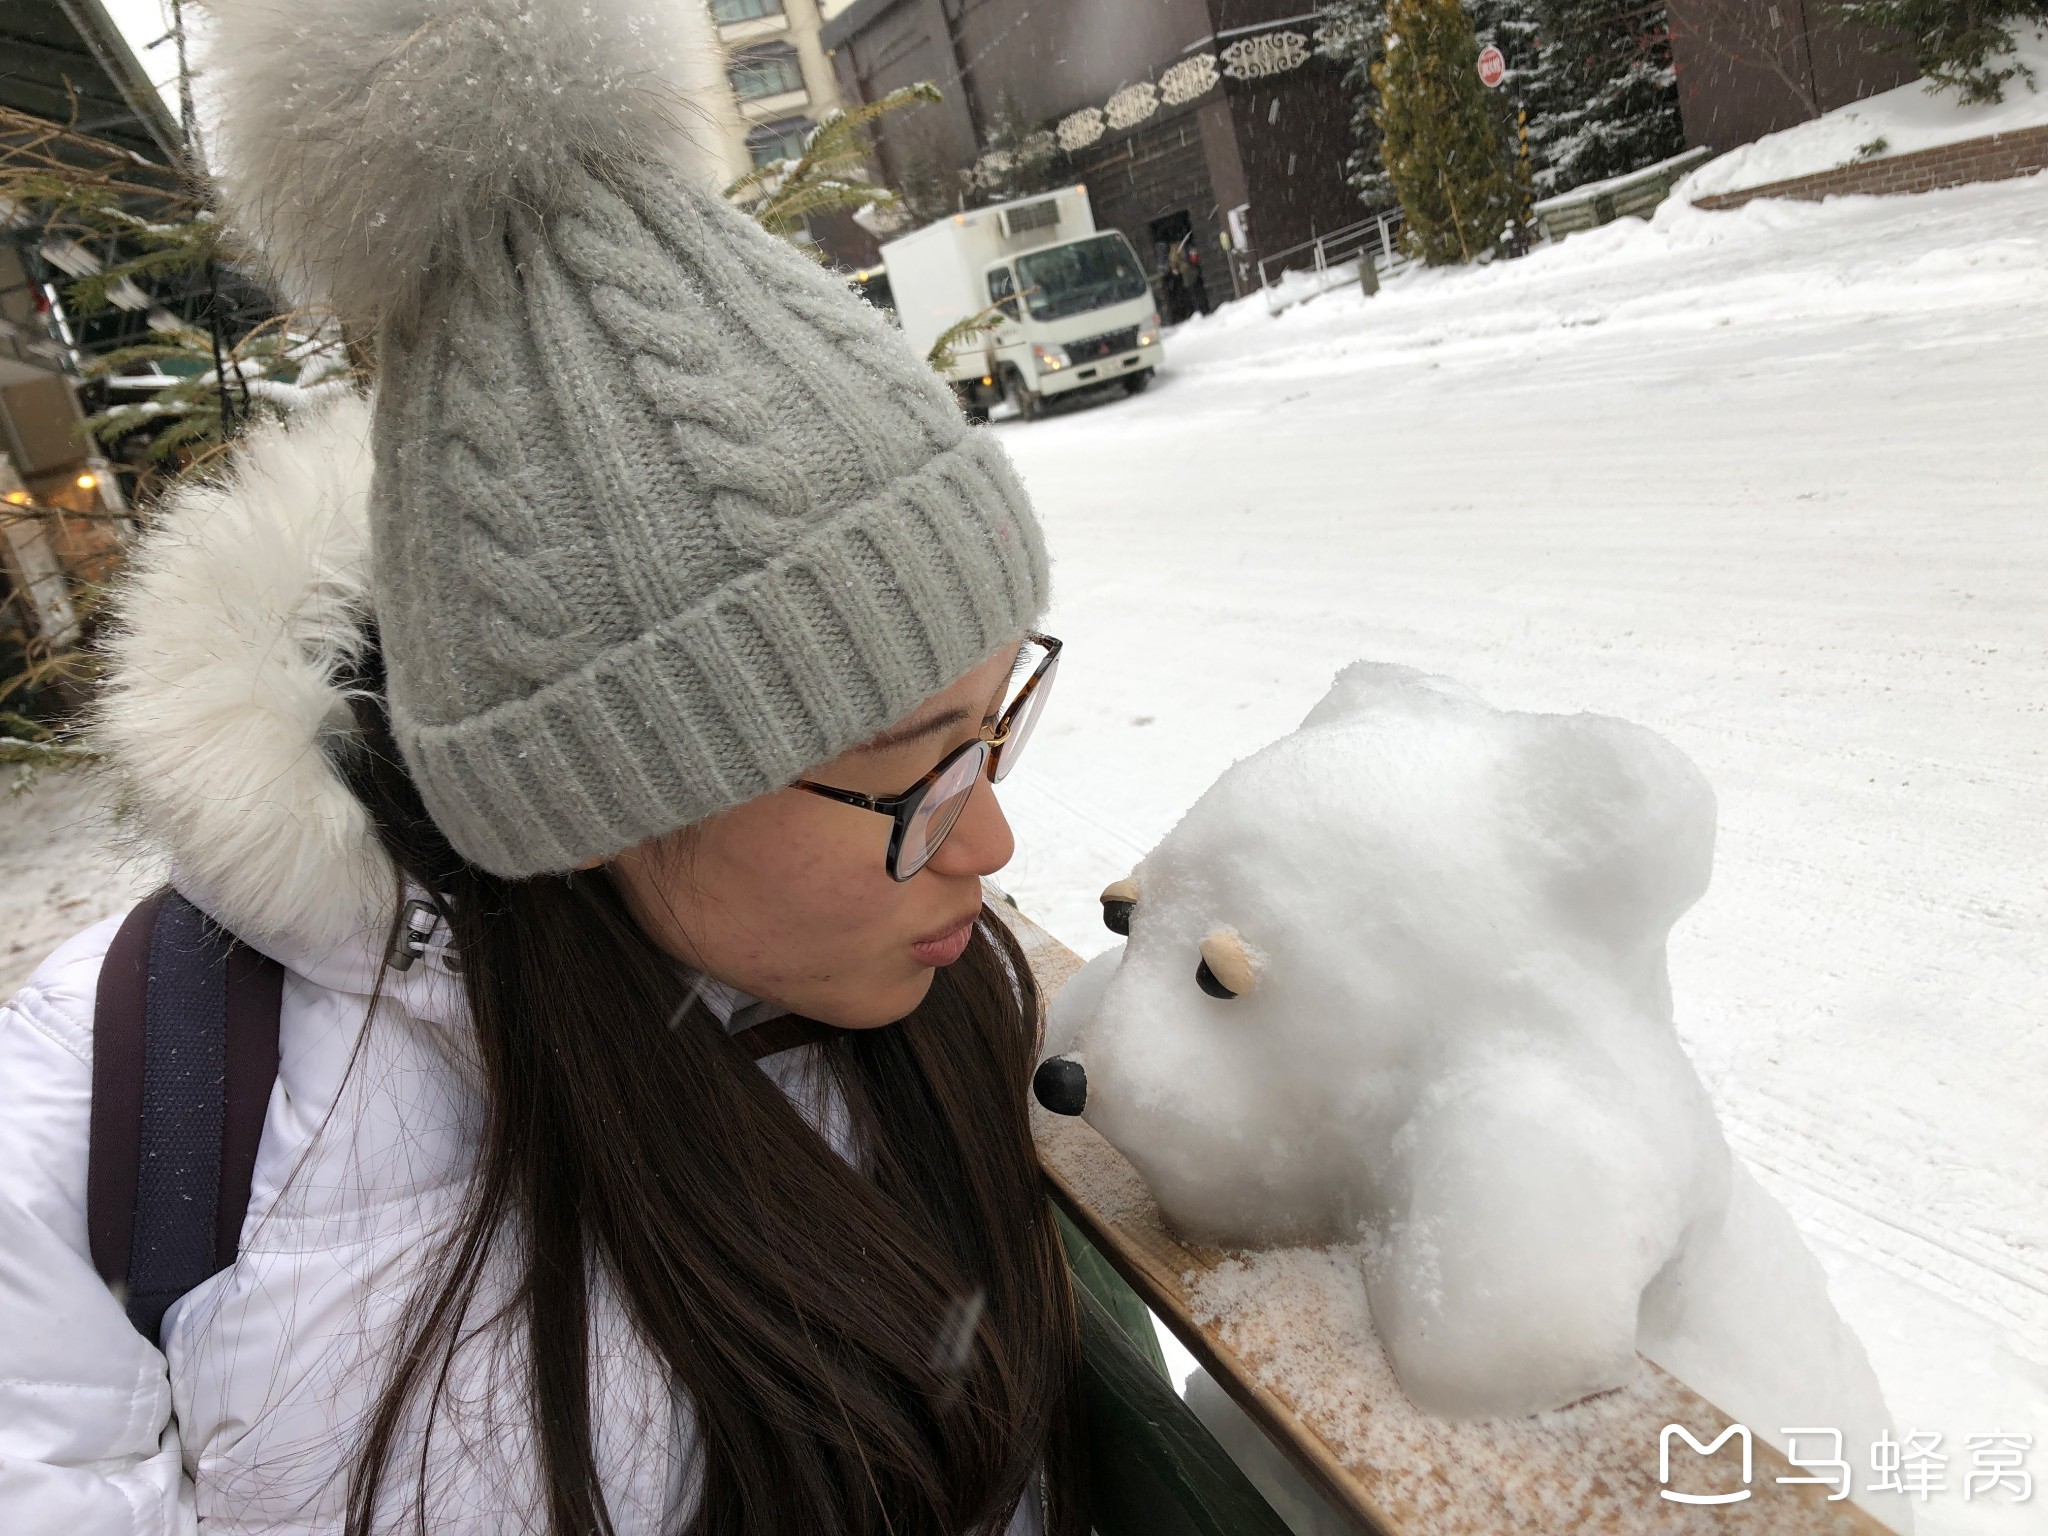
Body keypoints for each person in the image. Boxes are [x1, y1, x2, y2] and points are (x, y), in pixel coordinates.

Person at [0, 1, 1085, 1532]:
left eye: (996, 727)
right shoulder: (108, 1123)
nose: (991, 848)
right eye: (916, 779)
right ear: (591, 799)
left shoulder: (934, 999)